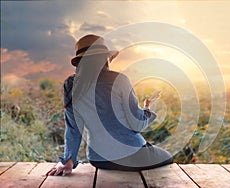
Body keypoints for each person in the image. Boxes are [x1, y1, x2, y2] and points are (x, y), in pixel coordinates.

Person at [47, 34, 173, 176]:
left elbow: (74, 128)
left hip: (99, 159)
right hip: (133, 156)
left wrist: (68, 161)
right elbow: (136, 124)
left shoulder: (70, 85)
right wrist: (148, 109)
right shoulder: (119, 80)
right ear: (105, 58)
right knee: (167, 156)